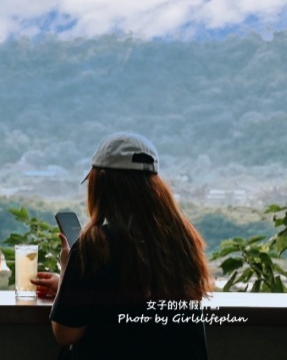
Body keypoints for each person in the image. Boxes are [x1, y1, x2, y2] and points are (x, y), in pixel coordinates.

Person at [36, 132, 212, 359]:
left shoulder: (97, 245)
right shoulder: (182, 241)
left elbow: (65, 333)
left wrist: (68, 267)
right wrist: (68, 285)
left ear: (101, 186)